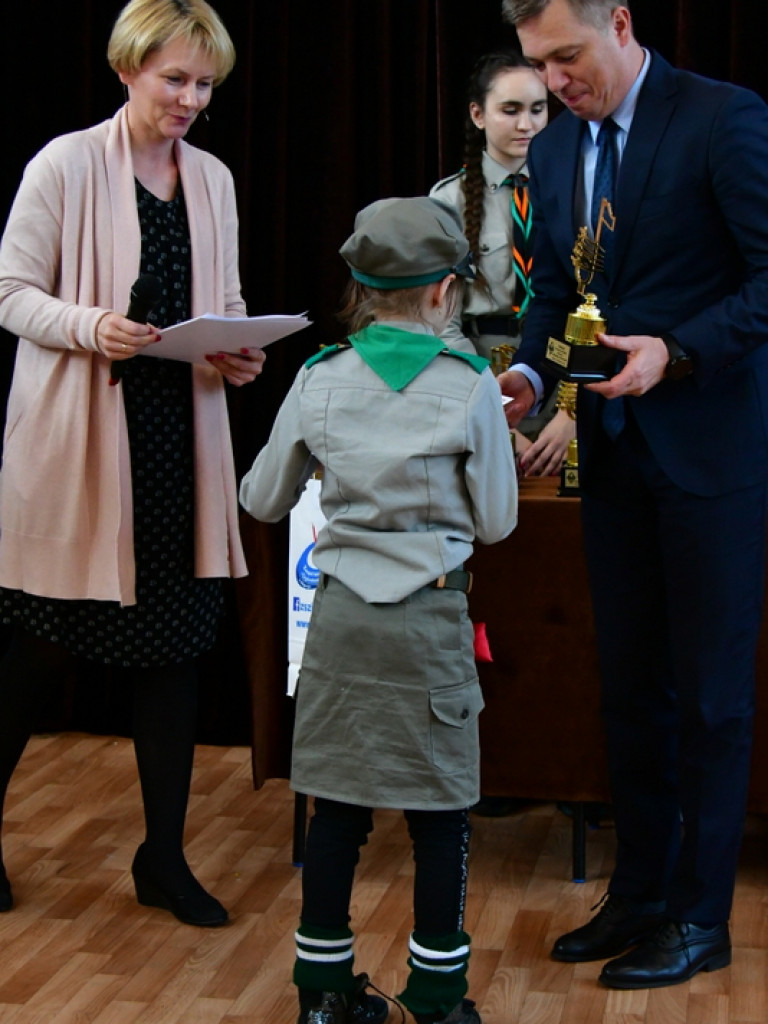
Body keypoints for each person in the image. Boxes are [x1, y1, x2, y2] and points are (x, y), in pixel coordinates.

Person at [498, 0, 768, 990]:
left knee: (708, 700)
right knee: (629, 693)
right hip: (611, 457)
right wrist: (530, 376)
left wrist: (681, 350)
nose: (555, 83)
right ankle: (642, 892)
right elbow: (556, 294)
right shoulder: (561, 146)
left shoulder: (722, 116)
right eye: (537, 64)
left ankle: (702, 917)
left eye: (567, 57)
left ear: (619, 21)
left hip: (710, 454)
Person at [0, 0, 265, 926]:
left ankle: (163, 857)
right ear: (128, 68)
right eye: (176, 80)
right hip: (78, 444)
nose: (192, 98)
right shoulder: (65, 163)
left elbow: (222, 301)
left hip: (177, 445)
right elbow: (11, 295)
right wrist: (91, 328)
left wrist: (235, 351)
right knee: (33, 656)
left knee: (176, 655)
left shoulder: (215, 179)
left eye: (205, 84)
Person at [240, 197, 517, 1024]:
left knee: (338, 814)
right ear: (444, 295)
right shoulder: (466, 387)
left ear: (358, 286)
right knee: (439, 820)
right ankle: (437, 1002)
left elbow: (262, 499)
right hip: (429, 624)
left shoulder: (318, 377)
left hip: (342, 624)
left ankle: (321, 998)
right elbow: (498, 521)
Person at [430, 50, 574, 477]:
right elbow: (441, 323)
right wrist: (492, 415)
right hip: (481, 385)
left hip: (566, 378)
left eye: (537, 109)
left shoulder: (575, 191)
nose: (527, 125)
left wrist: (574, 411)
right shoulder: (448, 201)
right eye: (510, 110)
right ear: (478, 114)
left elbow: (602, 310)